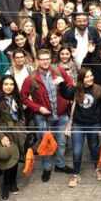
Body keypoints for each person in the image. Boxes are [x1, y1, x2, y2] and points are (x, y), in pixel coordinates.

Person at [20, 48, 74, 182]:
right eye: (42, 59)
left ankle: (60, 165)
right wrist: (38, 108)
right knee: (45, 144)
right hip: (43, 117)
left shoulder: (59, 71)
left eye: (47, 59)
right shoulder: (31, 78)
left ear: (51, 59)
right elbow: (23, 97)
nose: (45, 62)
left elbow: (71, 84)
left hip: (61, 115)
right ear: (37, 61)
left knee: (61, 143)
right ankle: (47, 168)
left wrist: (64, 90)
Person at [61, 68, 101, 187]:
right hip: (78, 124)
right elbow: (64, 94)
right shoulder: (76, 90)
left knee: (94, 148)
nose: (90, 78)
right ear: (81, 79)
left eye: (91, 76)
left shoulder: (99, 89)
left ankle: (97, 168)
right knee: (77, 150)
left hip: (94, 124)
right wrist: (61, 82)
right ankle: (76, 174)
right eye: (86, 77)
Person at [0, 75, 27, 201]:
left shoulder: (16, 98)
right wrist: (1, 136)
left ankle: (13, 182)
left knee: (15, 158)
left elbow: (21, 115)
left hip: (17, 132)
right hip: (3, 133)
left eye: (11, 84)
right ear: (1, 86)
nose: (8, 87)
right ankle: (5, 185)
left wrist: (22, 128)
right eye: (6, 84)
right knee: (6, 158)